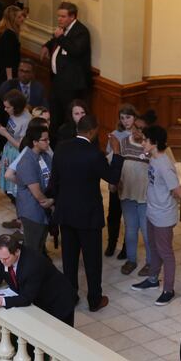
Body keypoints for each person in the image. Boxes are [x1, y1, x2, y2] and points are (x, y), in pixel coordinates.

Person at [46, 115, 123, 312]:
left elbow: (54, 182)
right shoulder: (94, 154)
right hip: (88, 216)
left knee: (69, 259)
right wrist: (117, 153)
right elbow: (113, 177)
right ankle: (94, 299)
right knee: (92, 261)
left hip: (66, 213)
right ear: (92, 131)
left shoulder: (61, 148)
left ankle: (71, 296)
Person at [130, 125, 181, 306]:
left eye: (145, 140)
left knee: (165, 253)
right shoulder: (153, 158)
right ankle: (153, 279)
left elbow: (179, 192)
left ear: (154, 143)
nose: (142, 143)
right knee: (153, 248)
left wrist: (170, 201)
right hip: (152, 212)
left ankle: (168, 290)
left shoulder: (164, 165)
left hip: (163, 216)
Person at [0, 235, 75, 326]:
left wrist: (0, 301)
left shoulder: (33, 264)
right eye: (0, 258)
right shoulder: (0, 256)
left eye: (6, 258)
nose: (2, 262)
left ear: (17, 251)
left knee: (59, 337)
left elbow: (27, 297)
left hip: (58, 300)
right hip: (36, 299)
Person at [40, 2, 92, 134]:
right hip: (58, 82)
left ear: (72, 16)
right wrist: (46, 45)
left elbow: (75, 51)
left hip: (71, 85)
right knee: (55, 116)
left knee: (68, 118)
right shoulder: (63, 29)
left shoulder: (81, 32)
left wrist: (61, 37)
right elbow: (54, 40)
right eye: (58, 16)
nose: (59, 19)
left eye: (63, 16)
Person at [116, 110, 156, 276]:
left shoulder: (152, 147)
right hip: (127, 193)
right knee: (130, 230)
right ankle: (131, 260)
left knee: (147, 232)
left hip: (145, 196)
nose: (138, 132)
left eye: (141, 129)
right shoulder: (124, 142)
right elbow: (116, 162)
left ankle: (150, 262)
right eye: (136, 128)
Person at [15, 125, 54, 253]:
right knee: (32, 249)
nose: (48, 142)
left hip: (43, 211)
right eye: (45, 140)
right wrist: (51, 204)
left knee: (40, 244)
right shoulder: (27, 161)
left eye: (48, 139)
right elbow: (37, 193)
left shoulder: (45, 156)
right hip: (32, 212)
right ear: (35, 142)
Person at [105, 104, 137, 259]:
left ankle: (126, 247)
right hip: (118, 180)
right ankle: (111, 244)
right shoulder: (115, 134)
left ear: (135, 117)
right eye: (122, 118)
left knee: (129, 216)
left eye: (128, 117)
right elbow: (109, 156)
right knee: (113, 215)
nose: (125, 121)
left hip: (132, 181)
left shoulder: (139, 135)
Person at [0, 89, 31, 201]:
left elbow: (21, 146)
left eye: (8, 107)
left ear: (16, 107)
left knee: (15, 188)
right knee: (7, 186)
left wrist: (5, 134)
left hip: (16, 154)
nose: (5, 109)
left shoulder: (26, 120)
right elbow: (12, 132)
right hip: (8, 151)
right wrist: (4, 130)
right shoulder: (13, 114)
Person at [0, 5, 25, 86]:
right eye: (19, 17)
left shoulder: (4, 31)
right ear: (12, 19)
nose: (22, 19)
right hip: (6, 75)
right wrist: (9, 79)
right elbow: (8, 58)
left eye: (22, 16)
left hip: (1, 72)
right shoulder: (9, 35)